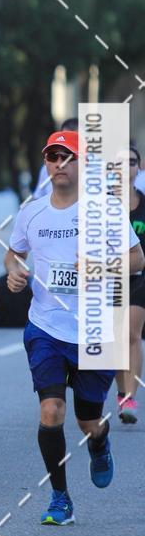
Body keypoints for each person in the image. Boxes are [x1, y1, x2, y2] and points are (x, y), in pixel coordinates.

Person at [6, 130, 144, 526]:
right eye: (53, 157)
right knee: (50, 411)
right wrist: (14, 271)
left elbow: (137, 260)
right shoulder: (31, 211)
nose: (60, 164)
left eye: (68, 157)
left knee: (88, 419)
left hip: (96, 329)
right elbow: (14, 253)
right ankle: (59, 497)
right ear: (45, 164)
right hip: (46, 326)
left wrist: (100, 268)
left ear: (84, 164)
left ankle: (99, 443)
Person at [114, 146, 145, 424]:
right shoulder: (101, 206)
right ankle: (121, 391)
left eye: (132, 162)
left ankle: (129, 398)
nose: (127, 167)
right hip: (108, 280)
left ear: (139, 168)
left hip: (140, 279)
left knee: (132, 334)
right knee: (115, 340)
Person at [32, 117, 78, 200]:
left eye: (74, 138)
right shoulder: (47, 168)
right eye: (64, 136)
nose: (59, 164)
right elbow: (37, 196)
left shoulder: (99, 168)